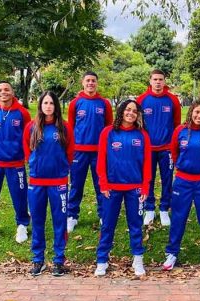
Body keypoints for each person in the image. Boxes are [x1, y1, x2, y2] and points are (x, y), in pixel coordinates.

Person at [94, 100, 151, 277]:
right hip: (111, 188)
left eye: (134, 111)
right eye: (128, 109)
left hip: (135, 188)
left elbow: (148, 163)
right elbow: (101, 160)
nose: (131, 113)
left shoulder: (142, 135)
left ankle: (138, 259)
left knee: (135, 225)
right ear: (121, 111)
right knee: (108, 225)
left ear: (138, 115)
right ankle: (102, 260)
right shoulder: (108, 132)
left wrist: (145, 187)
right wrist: (103, 183)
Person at [162, 100, 200, 271]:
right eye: (197, 112)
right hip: (183, 181)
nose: (199, 116)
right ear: (191, 112)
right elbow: (174, 152)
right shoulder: (180, 131)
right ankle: (172, 253)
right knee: (178, 218)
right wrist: (183, 167)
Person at [23, 91, 74, 276]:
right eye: (45, 102)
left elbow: (70, 152)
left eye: (51, 103)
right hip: (36, 182)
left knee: (59, 221)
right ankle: (38, 260)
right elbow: (27, 152)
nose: (48, 106)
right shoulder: (31, 127)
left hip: (58, 182)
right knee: (37, 221)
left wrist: (61, 169)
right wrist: (36, 166)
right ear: (40, 105)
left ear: (56, 106)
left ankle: (58, 260)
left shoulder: (64, 127)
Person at [0, 81, 31, 243]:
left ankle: (22, 225)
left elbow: (27, 136)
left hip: (15, 163)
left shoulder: (22, 113)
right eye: (0, 90)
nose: (3, 92)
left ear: (12, 92)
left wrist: (16, 151)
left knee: (20, 195)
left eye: (6, 89)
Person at [67, 71, 113, 232]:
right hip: (79, 152)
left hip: (99, 152)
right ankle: (72, 215)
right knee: (76, 185)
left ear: (97, 83)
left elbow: (109, 128)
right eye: (88, 80)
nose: (90, 83)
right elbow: (70, 128)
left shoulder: (104, 103)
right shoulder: (75, 103)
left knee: (101, 184)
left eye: (93, 80)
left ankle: (103, 214)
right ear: (83, 83)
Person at [137, 69, 181, 226]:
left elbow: (177, 126)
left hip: (166, 148)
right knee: (147, 179)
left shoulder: (173, 100)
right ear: (150, 81)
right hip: (148, 149)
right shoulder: (142, 100)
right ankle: (149, 209)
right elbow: (137, 126)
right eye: (155, 79)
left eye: (160, 79)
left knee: (167, 179)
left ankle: (163, 209)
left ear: (164, 81)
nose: (157, 82)